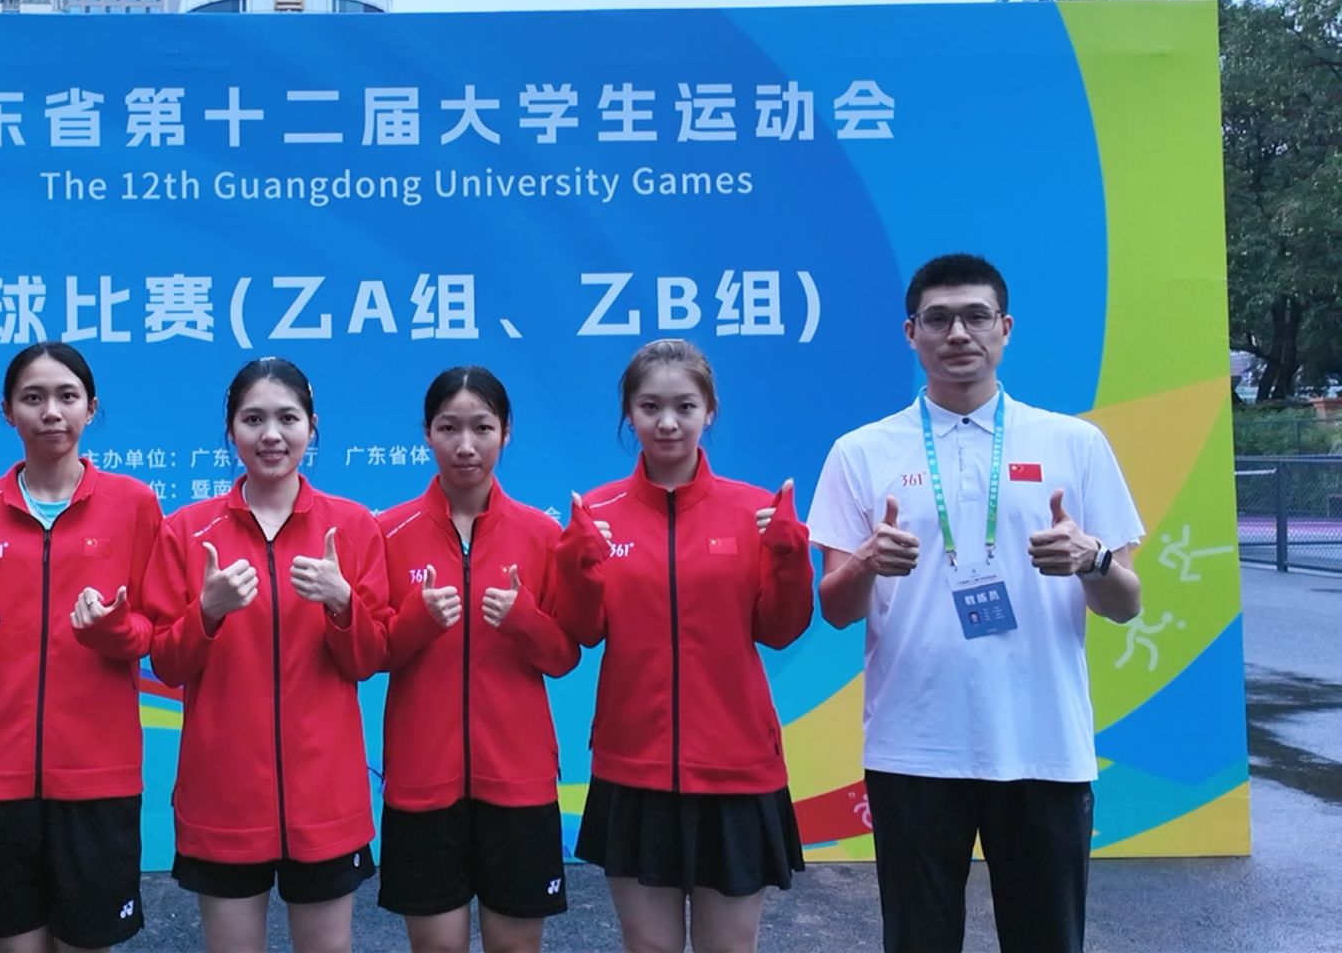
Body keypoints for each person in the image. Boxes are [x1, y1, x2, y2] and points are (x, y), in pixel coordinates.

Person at [808, 253, 1145, 953]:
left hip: (1043, 743)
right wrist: (868, 560)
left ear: (1005, 328)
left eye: (975, 316)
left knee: (1047, 939)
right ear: (911, 333)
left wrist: (1092, 560)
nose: (958, 333)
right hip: (914, 745)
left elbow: (1125, 603)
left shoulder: (1074, 443)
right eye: (938, 319)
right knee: (918, 940)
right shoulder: (861, 451)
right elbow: (836, 608)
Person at [552, 338, 813, 953]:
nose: (667, 422)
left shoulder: (754, 509)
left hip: (736, 767)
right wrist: (576, 566)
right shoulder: (598, 511)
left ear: (709, 412)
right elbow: (585, 631)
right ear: (629, 414)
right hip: (633, 766)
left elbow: (780, 629)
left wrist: (789, 557)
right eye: (650, 407)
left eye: (684, 406)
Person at [145, 357, 391, 953]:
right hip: (222, 796)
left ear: (313, 426)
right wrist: (207, 612)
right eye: (253, 419)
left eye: (288, 418)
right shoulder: (187, 530)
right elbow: (167, 664)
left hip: (326, 796)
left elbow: (369, 659)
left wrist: (342, 603)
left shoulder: (353, 526)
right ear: (230, 430)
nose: (271, 435)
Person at [0, 342, 164, 952]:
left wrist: (112, 630)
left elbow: (154, 629)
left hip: (98, 774)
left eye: (67, 396)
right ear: (8, 411)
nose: (51, 412)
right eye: (32, 398)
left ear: (92, 407)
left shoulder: (134, 504)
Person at [377, 366, 581, 953]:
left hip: (518, 780)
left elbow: (565, 656)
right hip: (421, 779)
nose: (465, 445)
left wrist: (522, 619)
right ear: (426, 433)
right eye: (449, 428)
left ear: (506, 432)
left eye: (482, 428)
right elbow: (371, 653)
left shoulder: (542, 534)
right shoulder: (388, 531)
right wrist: (417, 620)